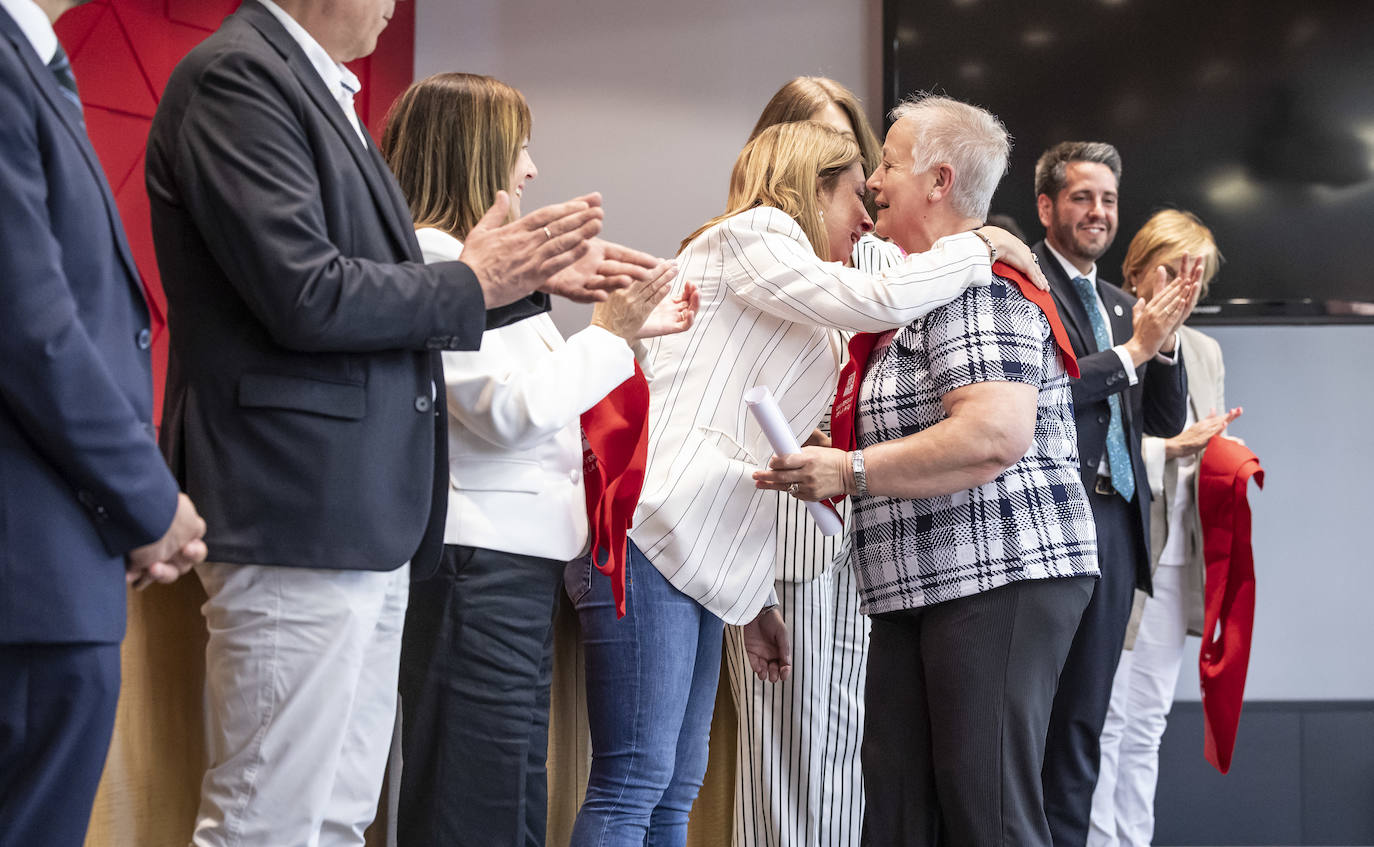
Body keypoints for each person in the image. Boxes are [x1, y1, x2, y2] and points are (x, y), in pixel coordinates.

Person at [144, 1, 659, 843]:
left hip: (365, 516)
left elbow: (369, 296)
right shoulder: (239, 76)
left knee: (340, 816)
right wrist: (479, 280)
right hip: (300, 503)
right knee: (273, 818)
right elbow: (306, 294)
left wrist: (514, 281)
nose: (393, 5)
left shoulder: (316, 89)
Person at [564, 118, 1049, 846]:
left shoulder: (803, 296)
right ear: (810, 186)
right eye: (857, 191)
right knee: (636, 781)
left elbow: (746, 431)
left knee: (673, 790)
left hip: (692, 549)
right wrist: (978, 245)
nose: (866, 213)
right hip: (650, 530)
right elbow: (882, 300)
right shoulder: (753, 234)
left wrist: (755, 597)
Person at [755, 94, 1099, 847]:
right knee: (901, 818)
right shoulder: (924, 287)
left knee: (989, 816)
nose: (872, 179)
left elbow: (991, 435)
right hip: (924, 586)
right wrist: (835, 448)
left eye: (885, 163)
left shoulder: (979, 284)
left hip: (998, 575)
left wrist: (848, 468)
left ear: (939, 181)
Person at [379, 71, 693, 847]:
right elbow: (508, 410)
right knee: (469, 807)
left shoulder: (476, 278)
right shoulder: (434, 260)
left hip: (507, 568)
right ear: (475, 157)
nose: (530, 171)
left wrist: (619, 336)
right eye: (519, 150)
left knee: (509, 807)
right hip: (473, 567)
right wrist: (610, 333)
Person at [0, 0, 207, 844]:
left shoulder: (33, 61)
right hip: (29, 574)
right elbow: (33, 326)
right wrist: (147, 501)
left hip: (54, 561)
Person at [721, 75, 900, 847]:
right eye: (828, 166)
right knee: (793, 789)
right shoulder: (746, 252)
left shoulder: (859, 262)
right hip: (780, 557)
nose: (854, 195)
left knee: (838, 780)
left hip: (856, 552)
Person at [1030, 142, 1195, 847]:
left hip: (1117, 533)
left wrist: (1165, 343)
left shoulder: (1126, 305)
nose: (1098, 212)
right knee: (1033, 721)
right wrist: (1133, 349)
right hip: (1048, 527)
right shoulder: (1024, 287)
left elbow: (1162, 420)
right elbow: (1045, 396)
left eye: (1108, 200)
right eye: (1081, 197)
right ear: (1047, 207)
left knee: (1083, 724)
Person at [1089, 210, 1240, 847]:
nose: (1187, 286)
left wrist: (1226, 457)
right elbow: (1097, 449)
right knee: (1107, 724)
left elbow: (1203, 443)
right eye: (1175, 270)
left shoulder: (1204, 350)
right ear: (1139, 270)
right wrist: (1168, 449)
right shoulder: (1108, 331)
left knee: (1148, 724)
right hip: (1127, 551)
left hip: (1182, 557)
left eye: (1196, 276)